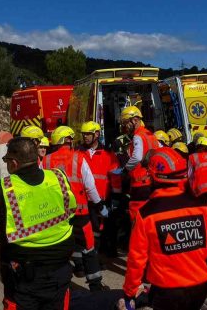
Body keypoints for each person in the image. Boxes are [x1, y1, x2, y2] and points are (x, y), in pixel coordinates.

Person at [123, 147, 207, 310]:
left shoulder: (146, 214)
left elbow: (136, 259)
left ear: (153, 176)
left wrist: (129, 293)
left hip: (166, 292)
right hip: (200, 288)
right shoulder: (202, 205)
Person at [0, 137, 77, 310]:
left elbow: (1, 226)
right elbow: (71, 213)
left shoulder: (3, 188)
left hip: (25, 279)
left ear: (14, 163)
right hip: (60, 270)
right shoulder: (58, 177)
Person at [42, 126, 107, 291]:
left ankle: (69, 275)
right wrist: (99, 204)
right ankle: (95, 285)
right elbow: (90, 186)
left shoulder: (46, 161)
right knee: (88, 246)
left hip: (56, 214)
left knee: (60, 246)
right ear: (68, 141)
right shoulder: (78, 158)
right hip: (80, 213)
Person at [78, 121, 121, 258]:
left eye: (88, 134)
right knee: (88, 231)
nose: (85, 137)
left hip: (103, 198)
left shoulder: (107, 154)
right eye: (83, 134)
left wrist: (116, 197)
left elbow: (115, 176)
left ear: (96, 134)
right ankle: (92, 257)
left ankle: (105, 254)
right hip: (84, 200)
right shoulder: (78, 153)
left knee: (106, 229)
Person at [120, 106, 160, 219]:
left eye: (126, 123)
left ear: (135, 120)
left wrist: (126, 169)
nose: (125, 126)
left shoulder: (138, 136)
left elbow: (137, 157)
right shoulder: (150, 134)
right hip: (152, 180)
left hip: (140, 182)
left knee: (137, 215)